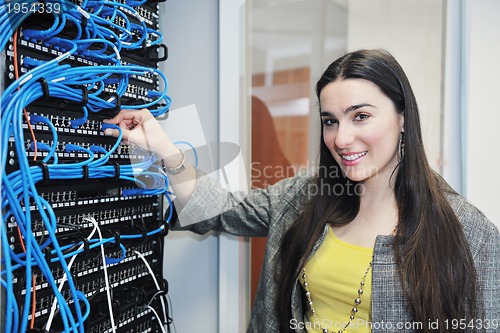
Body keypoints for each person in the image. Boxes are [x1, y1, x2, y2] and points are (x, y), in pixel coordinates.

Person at [103, 49, 500, 333]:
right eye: (330, 121)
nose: (342, 138)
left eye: (360, 116)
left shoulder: (468, 231)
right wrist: (162, 147)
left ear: (402, 118)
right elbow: (215, 211)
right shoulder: (305, 198)